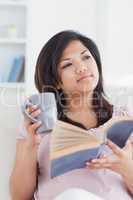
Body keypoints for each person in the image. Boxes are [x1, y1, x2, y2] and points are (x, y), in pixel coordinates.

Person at [10, 30, 133, 200]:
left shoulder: (126, 117)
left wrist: (126, 167)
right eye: (67, 64)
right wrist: (30, 146)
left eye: (86, 57)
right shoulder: (36, 124)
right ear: (56, 81)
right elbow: (19, 197)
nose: (82, 67)